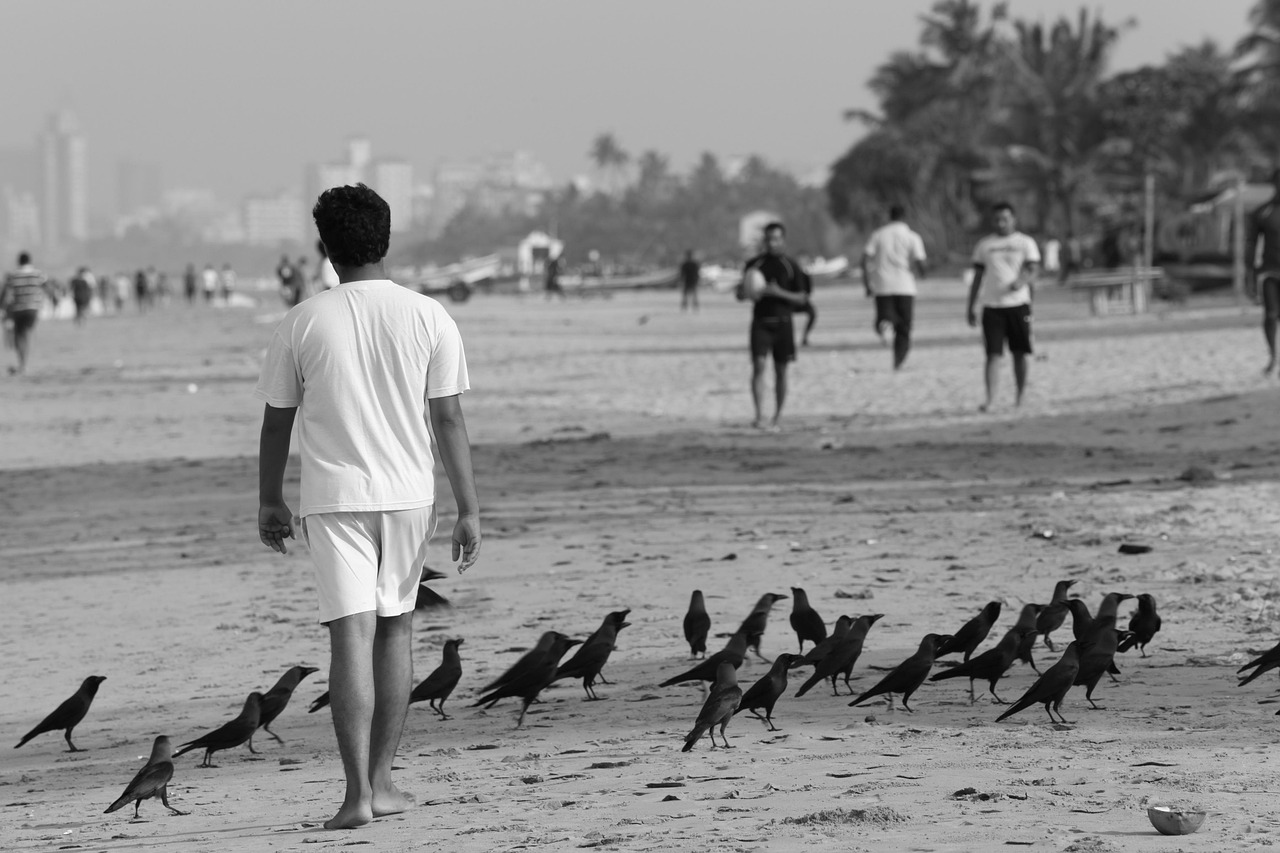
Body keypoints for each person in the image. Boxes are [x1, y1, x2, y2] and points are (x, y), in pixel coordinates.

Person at [255, 184, 480, 831]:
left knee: (348, 634)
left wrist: (270, 499)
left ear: (325, 247)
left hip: (333, 500)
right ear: (386, 239)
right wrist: (469, 507)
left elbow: (276, 425)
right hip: (409, 494)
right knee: (396, 630)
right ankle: (382, 783)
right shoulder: (428, 315)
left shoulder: (303, 319)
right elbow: (449, 419)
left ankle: (355, 794)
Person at [966, 202, 1041, 411]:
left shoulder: (1025, 243)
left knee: (1020, 352)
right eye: (997, 219)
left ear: (1013, 219)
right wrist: (971, 305)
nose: (1001, 223)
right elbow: (977, 277)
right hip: (992, 307)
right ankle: (990, 400)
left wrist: (1022, 281)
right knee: (992, 355)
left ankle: (1021, 396)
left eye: (1005, 219)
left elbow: (1034, 269)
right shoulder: (984, 245)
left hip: (1018, 305)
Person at [740, 221, 810, 429]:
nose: (772, 243)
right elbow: (741, 292)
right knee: (759, 366)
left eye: (776, 239)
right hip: (760, 322)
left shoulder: (791, 265)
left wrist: (779, 292)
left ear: (783, 240)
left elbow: (803, 298)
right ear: (764, 240)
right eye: (769, 239)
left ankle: (777, 416)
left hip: (783, 323)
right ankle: (759, 415)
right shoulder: (753, 265)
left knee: (781, 371)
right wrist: (745, 292)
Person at [861, 205, 927, 369]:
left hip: (882, 285)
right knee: (904, 327)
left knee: (884, 318)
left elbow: (864, 260)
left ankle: (885, 326)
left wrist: (867, 283)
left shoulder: (878, 235)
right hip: (905, 286)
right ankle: (898, 360)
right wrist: (922, 273)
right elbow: (920, 261)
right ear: (905, 217)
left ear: (889, 216)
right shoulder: (912, 236)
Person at [1246, 168, 1280, 376]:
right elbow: (1251, 245)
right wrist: (1249, 273)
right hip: (1269, 272)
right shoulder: (1263, 212)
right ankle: (1273, 356)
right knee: (1271, 314)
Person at [0, 252, 56, 374]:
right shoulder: (38, 274)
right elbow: (50, 289)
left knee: (19, 336)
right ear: (30, 261)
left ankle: (22, 364)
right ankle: (24, 364)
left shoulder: (13, 275)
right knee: (27, 334)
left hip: (18, 309)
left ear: (19, 261)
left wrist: (2, 308)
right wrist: (53, 302)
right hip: (33, 309)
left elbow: (5, 294)